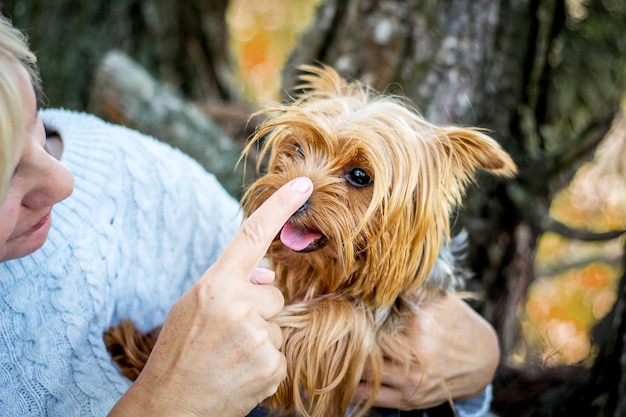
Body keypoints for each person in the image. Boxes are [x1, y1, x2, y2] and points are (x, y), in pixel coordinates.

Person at [0, 15, 498, 417]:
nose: (299, 185)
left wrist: (484, 359)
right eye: (295, 151)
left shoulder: (153, 184)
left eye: (358, 178)